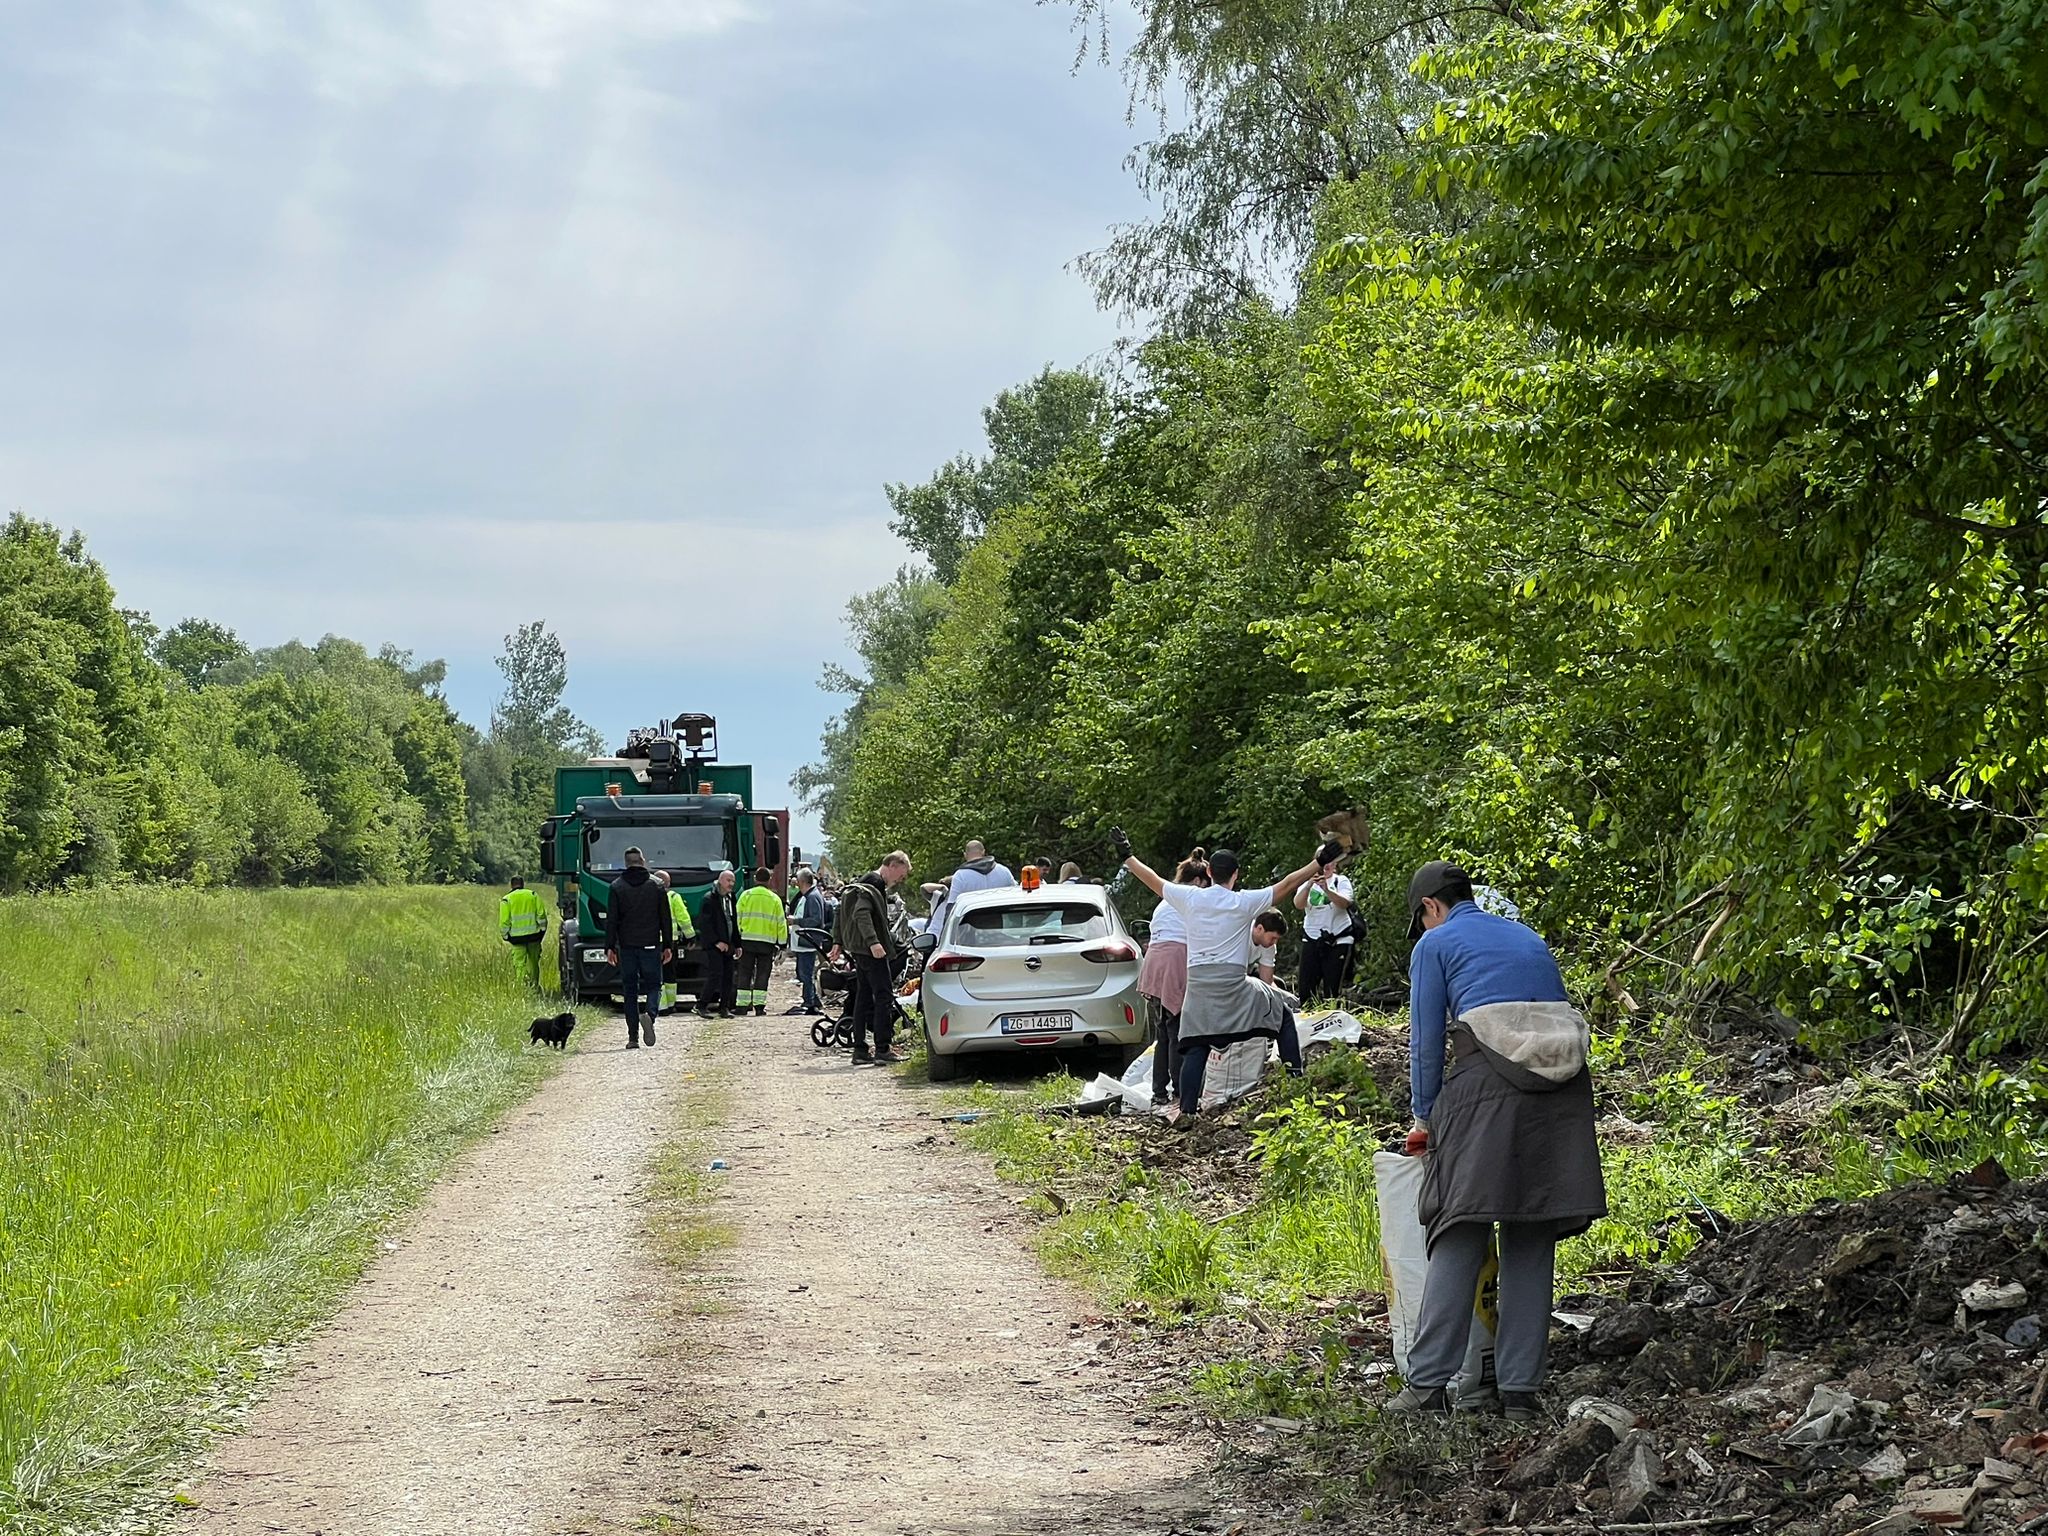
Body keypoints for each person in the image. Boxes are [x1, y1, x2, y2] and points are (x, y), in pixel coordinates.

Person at [1386, 861, 1606, 1421]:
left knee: (1460, 1225)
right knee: (1531, 1230)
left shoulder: (1435, 947)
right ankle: (1519, 1394)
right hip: (1564, 1091)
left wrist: (1424, 1120)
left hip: (1486, 1086)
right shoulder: (1526, 935)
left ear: (1431, 908)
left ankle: (1427, 1386)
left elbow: (1426, 1040)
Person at [1116, 832, 1336, 1119]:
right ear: (1236, 874)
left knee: (1197, 1044)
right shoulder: (1243, 902)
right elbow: (1288, 884)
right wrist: (1318, 862)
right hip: (1233, 985)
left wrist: (1127, 856)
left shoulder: (1190, 897)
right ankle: (1296, 1080)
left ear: (1208, 871)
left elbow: (1154, 880)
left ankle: (1187, 1110)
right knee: (1281, 1015)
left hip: (1197, 988)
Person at [1139, 855, 1207, 1107]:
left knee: (1163, 1031)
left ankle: (1159, 1090)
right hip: (1174, 960)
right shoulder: (1192, 897)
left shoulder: (1166, 898)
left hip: (1154, 961)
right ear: (1198, 880)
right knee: (1177, 1030)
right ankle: (1181, 1090)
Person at [831, 850, 912, 1064]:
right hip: (870, 951)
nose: (900, 881)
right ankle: (883, 1048)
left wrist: (838, 941)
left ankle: (859, 1050)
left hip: (859, 950)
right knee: (883, 996)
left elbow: (842, 911)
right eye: (901, 875)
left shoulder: (861, 881)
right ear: (893, 865)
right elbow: (860, 913)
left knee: (863, 997)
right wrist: (873, 942)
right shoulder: (874, 884)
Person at [603, 848, 672, 1048]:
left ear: (626, 863)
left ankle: (632, 1038)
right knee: (654, 985)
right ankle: (650, 1014)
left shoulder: (616, 886)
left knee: (630, 992)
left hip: (627, 947)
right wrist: (667, 945)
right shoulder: (656, 885)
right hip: (650, 944)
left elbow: (612, 920)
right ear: (642, 861)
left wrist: (610, 947)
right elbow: (665, 918)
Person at [1292, 860, 1357, 1005]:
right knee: (1306, 987)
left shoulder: (1341, 881)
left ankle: (1332, 1016)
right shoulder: (1306, 882)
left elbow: (1345, 903)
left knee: (1332, 988)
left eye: (1329, 863)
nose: (1324, 868)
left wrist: (1327, 889)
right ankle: (1308, 1018)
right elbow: (1298, 904)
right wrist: (1309, 884)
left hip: (1338, 938)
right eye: (1322, 864)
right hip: (1312, 937)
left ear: (1334, 865)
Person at [735, 867, 788, 1016]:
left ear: (754, 879)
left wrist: (736, 940)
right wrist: (783, 945)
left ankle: (742, 1006)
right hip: (767, 944)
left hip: (746, 941)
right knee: (763, 974)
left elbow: (737, 919)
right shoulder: (774, 899)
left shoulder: (746, 896)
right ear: (769, 880)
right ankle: (759, 1007)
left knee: (745, 973)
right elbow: (781, 923)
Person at [928, 841, 1012, 933]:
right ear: (983, 852)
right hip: (1001, 931)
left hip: (970, 934)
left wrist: (945, 933)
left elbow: (951, 908)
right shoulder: (1004, 871)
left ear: (965, 855)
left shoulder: (960, 876)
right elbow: (1017, 895)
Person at [696, 868, 741, 1019]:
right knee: (715, 974)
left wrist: (737, 944)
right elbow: (705, 924)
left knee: (728, 976)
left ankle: (724, 1008)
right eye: (728, 881)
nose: (731, 884)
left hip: (728, 944)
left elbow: (733, 922)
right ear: (720, 881)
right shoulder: (709, 899)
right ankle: (701, 1005)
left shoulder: (731, 898)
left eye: (733, 881)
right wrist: (716, 942)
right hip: (714, 945)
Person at [652, 871, 698, 1012]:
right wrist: (691, 936)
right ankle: (670, 1004)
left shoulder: (647, 897)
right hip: (670, 942)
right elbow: (683, 918)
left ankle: (661, 1005)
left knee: (656, 973)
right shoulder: (673, 897)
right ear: (669, 883)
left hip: (652, 941)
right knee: (670, 973)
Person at [786, 869, 827, 1014]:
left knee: (806, 973)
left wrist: (796, 920)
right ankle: (813, 999)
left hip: (808, 941)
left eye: (797, 880)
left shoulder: (812, 897)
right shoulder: (808, 896)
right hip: (803, 941)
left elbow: (815, 920)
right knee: (803, 972)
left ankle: (809, 1002)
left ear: (802, 881)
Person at [498, 878, 548, 992]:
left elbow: (504, 921)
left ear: (511, 885)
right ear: (523, 884)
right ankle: (534, 986)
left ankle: (522, 987)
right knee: (533, 962)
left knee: (519, 963)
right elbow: (541, 915)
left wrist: (505, 936)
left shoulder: (506, 899)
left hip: (516, 938)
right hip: (534, 936)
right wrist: (542, 930)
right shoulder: (533, 895)